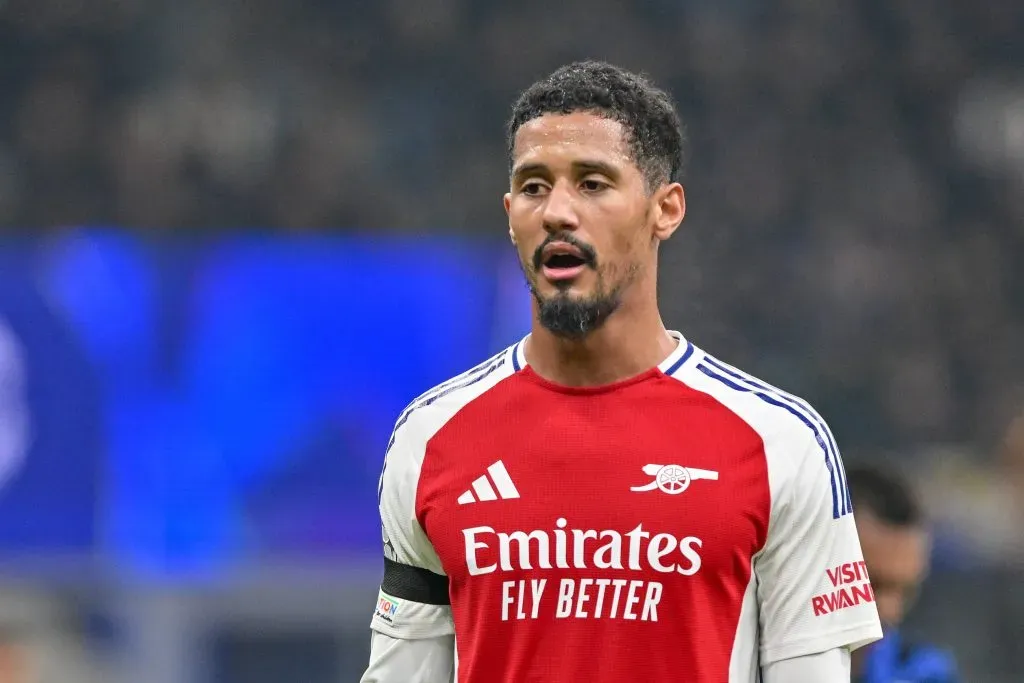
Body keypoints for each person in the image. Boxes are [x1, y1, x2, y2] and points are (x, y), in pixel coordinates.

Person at [361, 61, 882, 683]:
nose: (556, 211)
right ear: (508, 213)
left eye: (592, 183)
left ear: (665, 209)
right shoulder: (430, 439)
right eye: (533, 187)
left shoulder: (781, 444)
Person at [845, 464, 959, 683]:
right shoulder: (765, 659)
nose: (891, 612)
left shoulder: (923, 673)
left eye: (906, 591)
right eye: (872, 584)